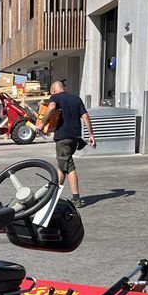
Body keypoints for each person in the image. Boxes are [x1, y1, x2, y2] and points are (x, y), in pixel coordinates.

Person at [38, 79, 95, 208]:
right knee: (62, 166)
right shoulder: (76, 99)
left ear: (53, 90)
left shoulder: (55, 97)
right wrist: (91, 135)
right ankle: (54, 195)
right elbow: (85, 116)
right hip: (75, 138)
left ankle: (76, 199)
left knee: (69, 166)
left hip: (62, 137)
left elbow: (51, 108)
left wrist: (42, 124)